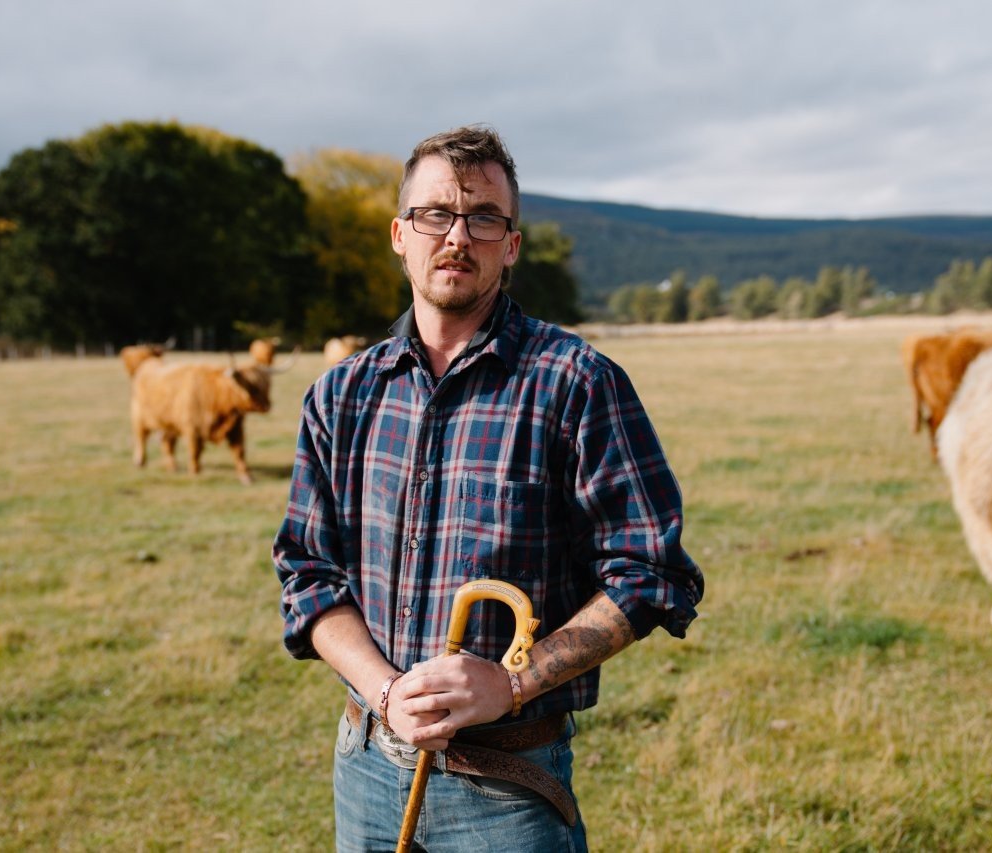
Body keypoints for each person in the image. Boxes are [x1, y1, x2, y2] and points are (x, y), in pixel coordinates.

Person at [274, 124, 703, 851]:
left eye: (484, 218)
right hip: (369, 767)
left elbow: (651, 572)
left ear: (511, 244)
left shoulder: (576, 382)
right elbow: (308, 574)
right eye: (435, 214)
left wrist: (511, 682)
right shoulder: (341, 395)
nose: (457, 236)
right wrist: (385, 689)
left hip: (507, 785)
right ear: (399, 234)